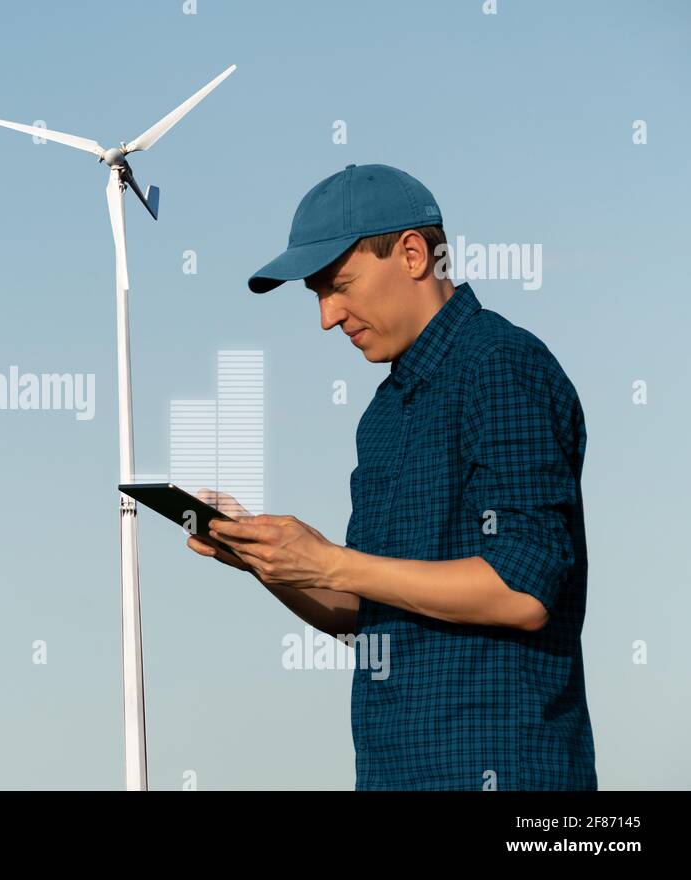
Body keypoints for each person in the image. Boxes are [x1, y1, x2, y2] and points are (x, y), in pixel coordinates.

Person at [189, 164, 596, 790]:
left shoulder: (503, 364)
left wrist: (329, 561)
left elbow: (523, 589)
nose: (327, 317)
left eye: (339, 285)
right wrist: (264, 558)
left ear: (411, 254)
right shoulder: (384, 413)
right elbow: (364, 610)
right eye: (318, 296)